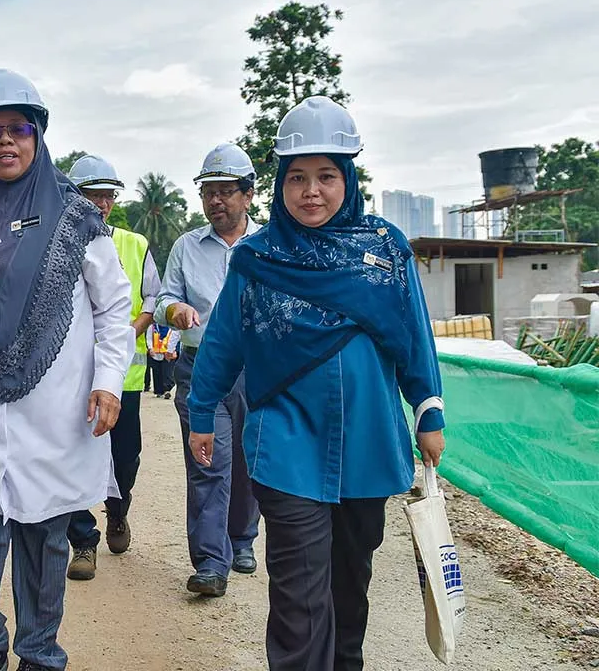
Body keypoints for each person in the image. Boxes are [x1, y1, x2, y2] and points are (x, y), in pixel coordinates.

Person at [187, 96, 446, 671]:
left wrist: (428, 410)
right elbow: (224, 341)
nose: (311, 191)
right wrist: (201, 412)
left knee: (350, 590)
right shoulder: (258, 258)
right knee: (299, 599)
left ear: (348, 180)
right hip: (286, 443)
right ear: (280, 184)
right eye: (297, 177)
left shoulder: (385, 250)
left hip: (367, 443)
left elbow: (414, 334)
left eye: (326, 176)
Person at [0, 69, 132, 671]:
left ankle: (39, 652)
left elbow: (114, 306)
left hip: (54, 405)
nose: (5, 141)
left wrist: (108, 382)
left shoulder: (76, 217)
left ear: (38, 136)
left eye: (18, 129)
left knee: (42, 535)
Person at [154, 141, 263, 598]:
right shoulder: (186, 247)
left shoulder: (269, 245)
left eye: (225, 191)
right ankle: (210, 563)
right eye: (207, 192)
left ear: (248, 195)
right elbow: (162, 299)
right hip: (200, 368)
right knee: (208, 460)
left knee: (248, 458)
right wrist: (174, 309)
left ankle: (242, 537)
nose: (215, 200)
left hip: (257, 369)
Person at [62, 154, 160, 581]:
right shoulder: (58, 243)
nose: (101, 204)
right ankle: (83, 540)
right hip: (72, 378)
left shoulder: (135, 244)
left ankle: (118, 511)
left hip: (126, 377)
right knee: (70, 456)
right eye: (92, 196)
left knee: (124, 456)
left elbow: (152, 298)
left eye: (107, 196)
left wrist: (125, 334)